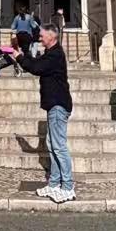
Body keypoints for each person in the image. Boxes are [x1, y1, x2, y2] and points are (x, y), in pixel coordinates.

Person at [15, 25, 75, 202]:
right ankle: (55, 183)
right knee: (51, 144)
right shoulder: (50, 53)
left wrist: (19, 56)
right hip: (53, 105)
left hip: (58, 104)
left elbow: (36, 69)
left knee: (59, 146)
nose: (39, 38)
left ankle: (68, 186)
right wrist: (21, 56)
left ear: (52, 35)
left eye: (42, 36)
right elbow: (35, 64)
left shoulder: (55, 54)